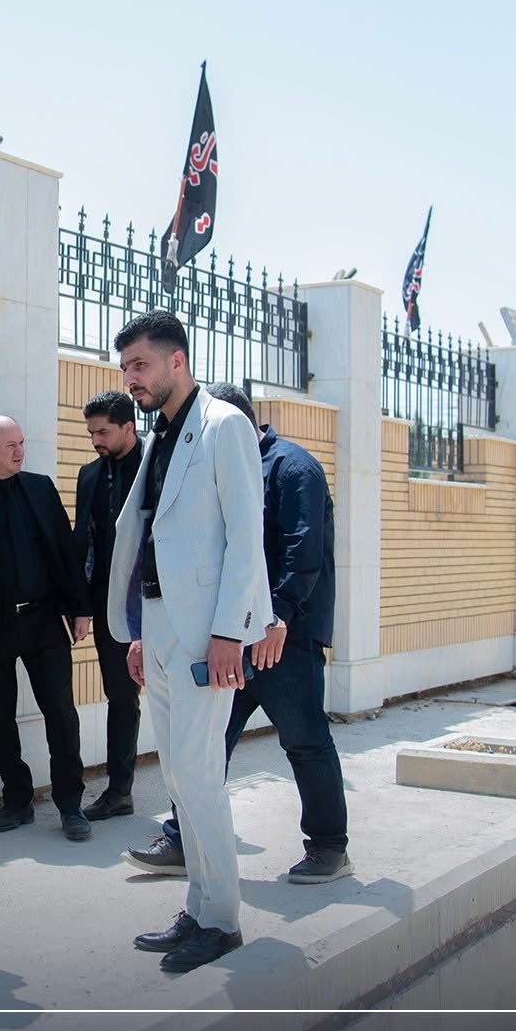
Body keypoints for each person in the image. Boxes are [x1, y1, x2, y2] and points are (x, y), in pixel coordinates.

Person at [124, 382, 352, 885]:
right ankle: (186, 841)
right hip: (226, 637)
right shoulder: (212, 461)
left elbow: (302, 551)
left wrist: (277, 617)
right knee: (202, 748)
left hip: (282, 639)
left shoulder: (293, 468)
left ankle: (329, 847)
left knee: (305, 740)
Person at [103, 312, 273, 973]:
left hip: (207, 633)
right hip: (161, 626)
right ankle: (200, 908)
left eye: (140, 365)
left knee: (199, 774)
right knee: (178, 775)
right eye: (125, 368)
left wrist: (231, 631)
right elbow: (154, 537)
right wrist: (140, 633)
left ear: (177, 361)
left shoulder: (224, 426)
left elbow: (246, 535)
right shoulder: (161, 434)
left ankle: (222, 920)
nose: (131, 379)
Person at [0, 415, 91, 842]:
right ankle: (17, 800)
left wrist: (80, 608)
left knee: (61, 713)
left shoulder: (40, 488)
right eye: (11, 446)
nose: (20, 452)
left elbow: (65, 550)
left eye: (21, 443)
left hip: (44, 619)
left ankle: (70, 806)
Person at [71, 390, 145, 820]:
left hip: (156, 601)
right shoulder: (89, 475)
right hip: (106, 604)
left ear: (128, 427)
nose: (95, 440)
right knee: (120, 696)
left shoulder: (157, 464)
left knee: (174, 697)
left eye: (103, 432)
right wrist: (81, 605)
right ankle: (120, 792)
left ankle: (189, 796)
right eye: (91, 433)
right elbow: (83, 540)